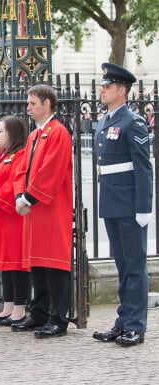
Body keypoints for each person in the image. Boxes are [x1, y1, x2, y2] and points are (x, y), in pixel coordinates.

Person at [92, 63, 153, 347]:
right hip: (111, 203)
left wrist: (143, 207)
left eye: (107, 86)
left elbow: (143, 168)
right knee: (122, 266)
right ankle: (123, 320)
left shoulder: (133, 122)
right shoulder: (105, 121)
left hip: (129, 204)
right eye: (102, 86)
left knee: (135, 266)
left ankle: (135, 325)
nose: (102, 90)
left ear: (122, 90)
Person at [11, 84, 73, 338]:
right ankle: (39, 313)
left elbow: (51, 171)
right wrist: (19, 195)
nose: (28, 108)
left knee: (55, 265)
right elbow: (21, 169)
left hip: (51, 208)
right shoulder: (35, 136)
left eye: (32, 104)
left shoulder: (59, 133)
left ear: (47, 103)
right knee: (37, 263)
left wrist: (28, 197)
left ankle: (58, 318)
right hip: (34, 208)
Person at [0, 115, 30, 326]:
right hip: (1, 214)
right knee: (5, 264)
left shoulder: (20, 155)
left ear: (13, 133)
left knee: (17, 263)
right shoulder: (2, 155)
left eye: (1, 131)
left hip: (12, 215)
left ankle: (20, 308)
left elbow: (12, 185)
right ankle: (8, 306)